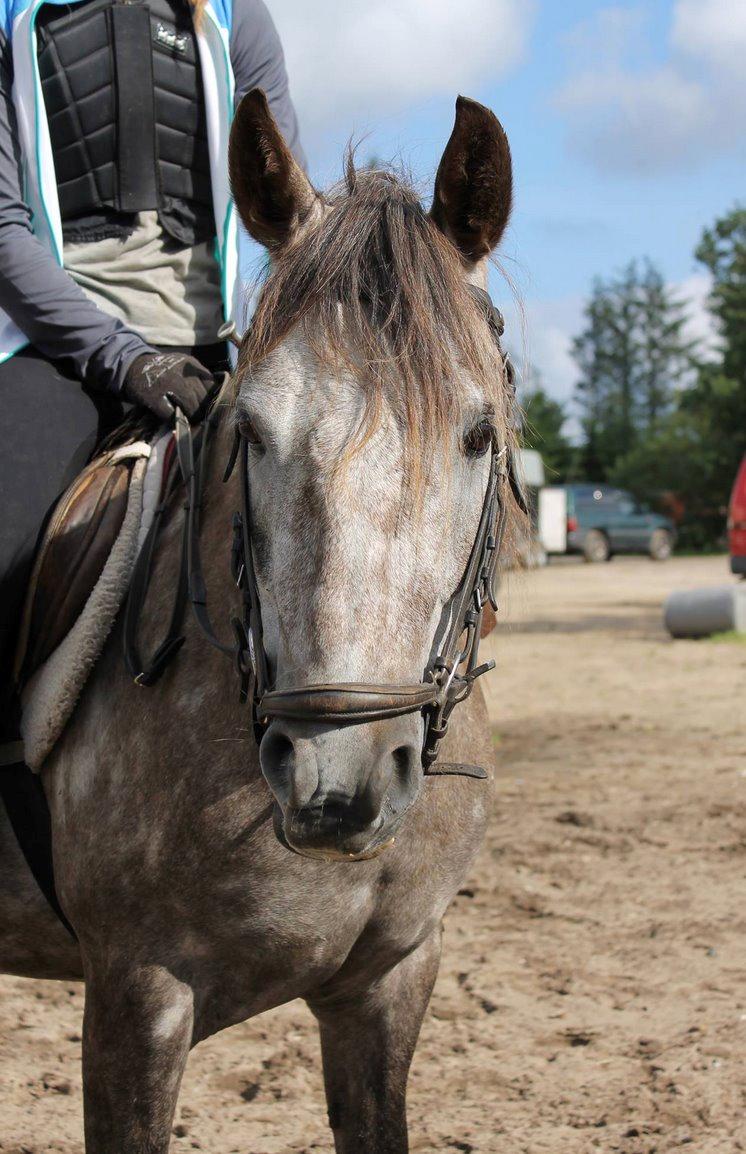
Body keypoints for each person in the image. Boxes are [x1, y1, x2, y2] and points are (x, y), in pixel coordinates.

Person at [0, 0, 305, 755]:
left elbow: (291, 213)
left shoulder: (237, 18)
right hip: (56, 353)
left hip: (209, 356)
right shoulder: (11, 14)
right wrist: (124, 357)